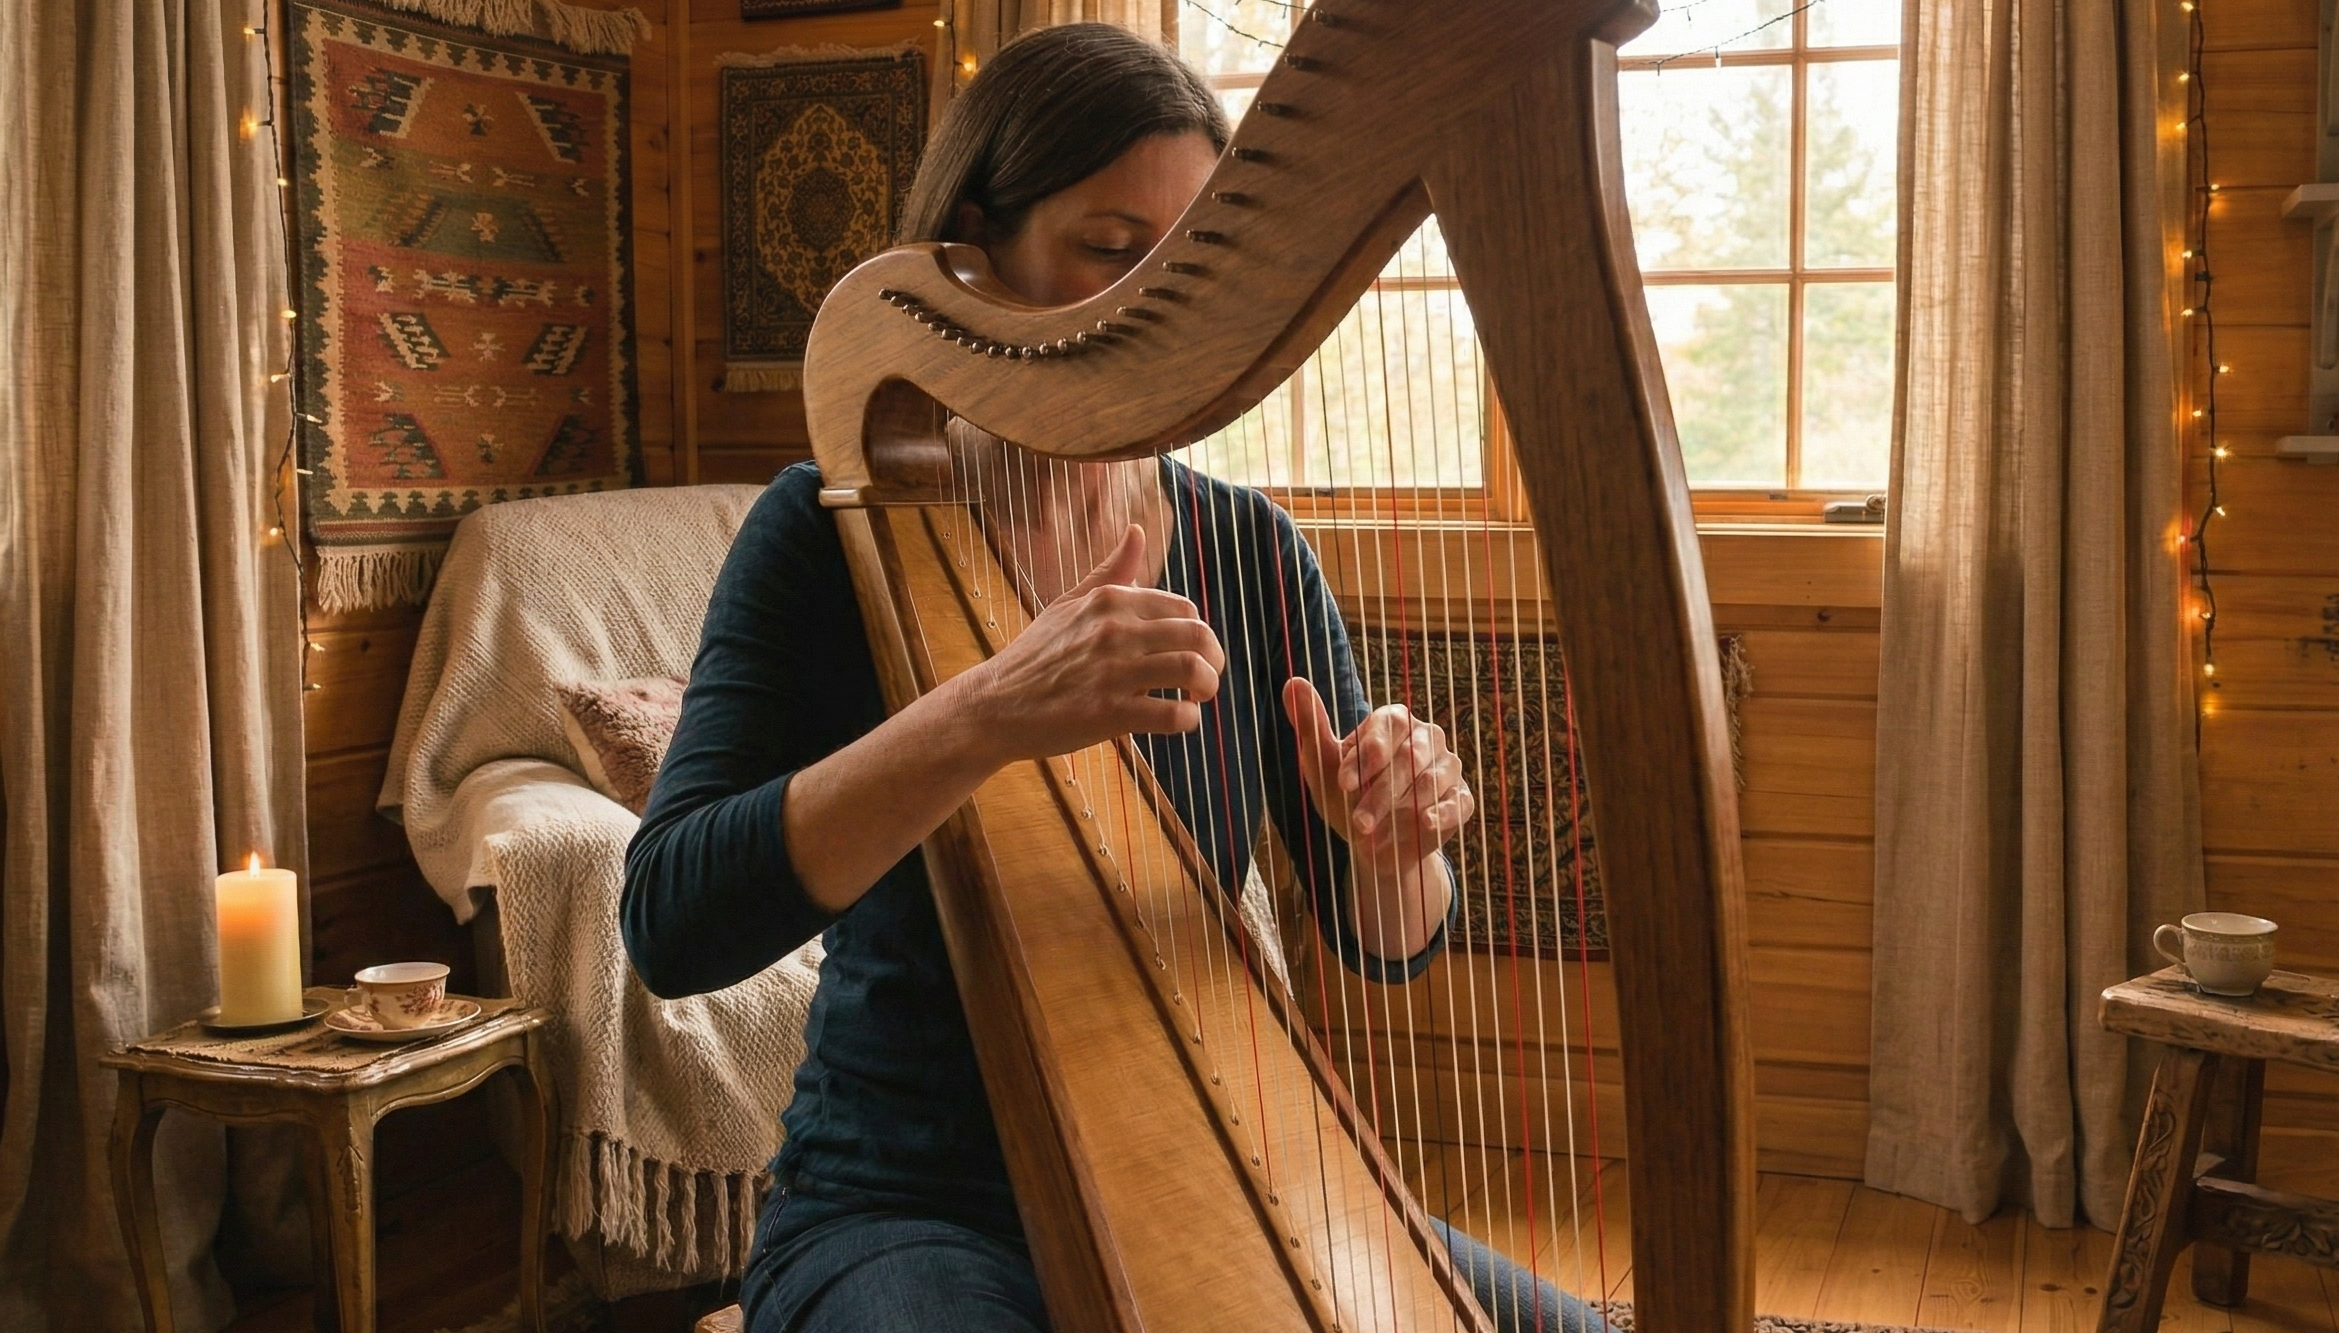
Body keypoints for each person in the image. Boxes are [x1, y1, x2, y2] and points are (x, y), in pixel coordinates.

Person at [621, 23, 1600, 1333]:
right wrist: (982, 713)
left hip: (1227, 1170)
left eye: (1182, 265)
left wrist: (1392, 845)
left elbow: (1387, 948)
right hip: (904, 1201)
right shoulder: (831, 530)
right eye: (1105, 248)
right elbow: (672, 926)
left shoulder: (1250, 549)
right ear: (975, 250)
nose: (1145, 302)